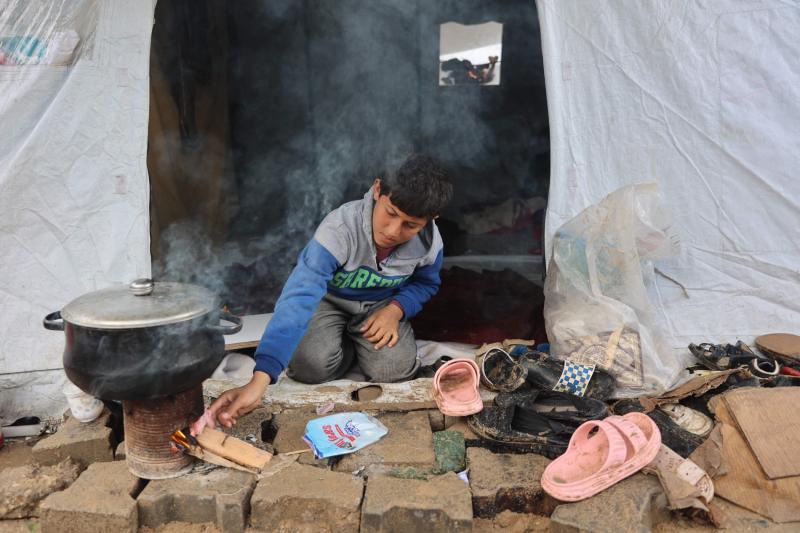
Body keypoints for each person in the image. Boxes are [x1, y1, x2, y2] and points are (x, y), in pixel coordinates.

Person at [208, 154, 453, 427]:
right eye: (391, 213)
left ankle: (351, 342)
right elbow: (300, 296)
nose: (394, 231)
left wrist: (396, 311)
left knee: (394, 370)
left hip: (380, 307)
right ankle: (344, 345)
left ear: (432, 219)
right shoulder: (339, 229)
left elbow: (426, 283)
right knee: (309, 366)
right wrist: (261, 377)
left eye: (411, 225)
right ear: (377, 189)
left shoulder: (431, 244)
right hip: (330, 301)